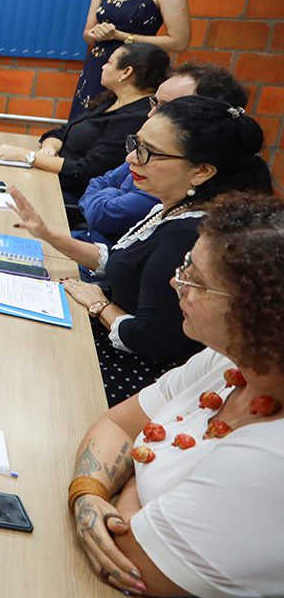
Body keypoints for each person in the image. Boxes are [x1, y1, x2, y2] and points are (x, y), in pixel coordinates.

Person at [66, 192, 284, 598]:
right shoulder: (226, 361)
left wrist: (128, 482)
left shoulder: (272, 459)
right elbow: (116, 423)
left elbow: (135, 564)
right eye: (186, 264)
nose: (175, 281)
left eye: (196, 280)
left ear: (260, 314)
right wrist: (90, 491)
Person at [8, 97, 270, 405]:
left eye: (148, 152)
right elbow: (124, 262)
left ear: (201, 172)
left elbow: (149, 339)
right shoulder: (174, 206)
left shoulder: (189, 235)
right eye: (135, 143)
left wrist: (99, 306)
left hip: (135, 375)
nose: (132, 157)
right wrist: (48, 234)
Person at [78, 64, 252, 248]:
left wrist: (108, 194)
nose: (150, 113)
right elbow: (99, 181)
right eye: (154, 102)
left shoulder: (177, 172)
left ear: (205, 116)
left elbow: (105, 216)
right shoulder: (153, 149)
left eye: (166, 108)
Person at [0, 43, 170, 201]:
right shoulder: (110, 101)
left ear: (126, 72)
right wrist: (50, 148)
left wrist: (28, 156)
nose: (103, 67)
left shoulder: (135, 118)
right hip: (51, 175)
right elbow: (61, 131)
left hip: (70, 193)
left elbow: (85, 172)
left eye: (109, 63)